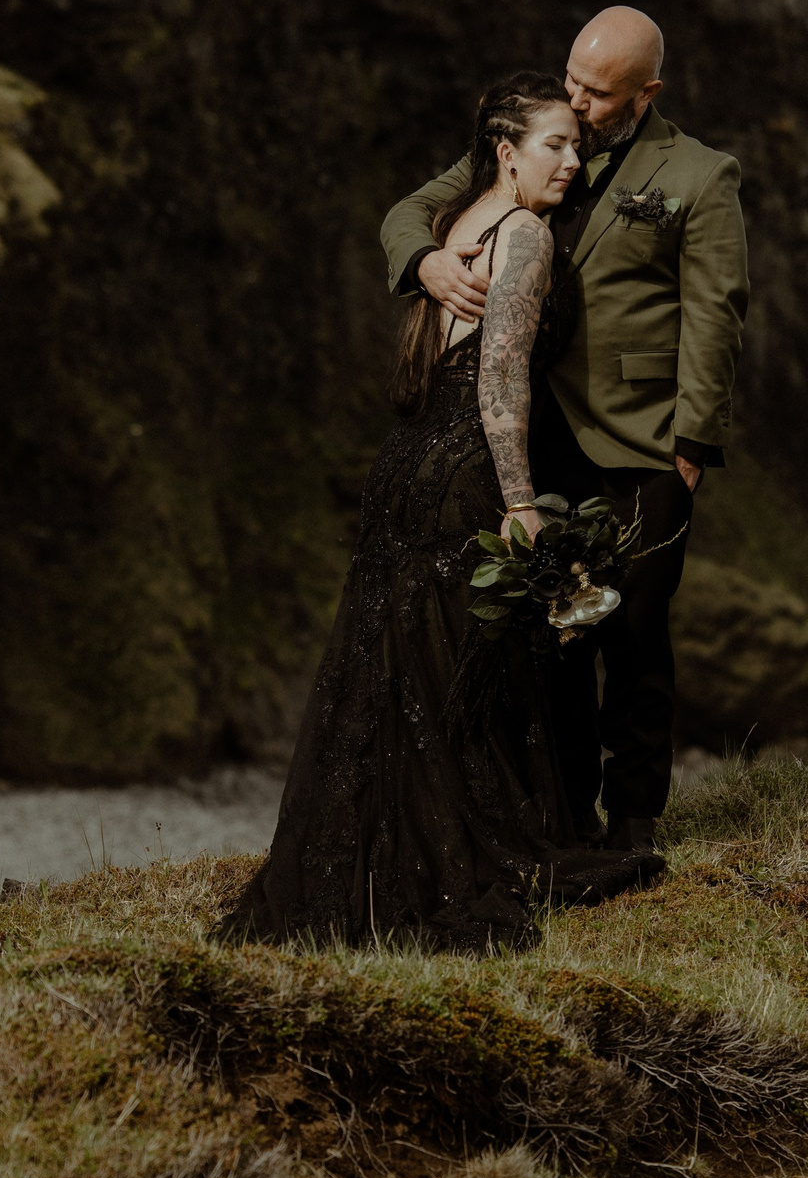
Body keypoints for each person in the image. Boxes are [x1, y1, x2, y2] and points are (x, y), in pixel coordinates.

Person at [214, 71, 668, 952]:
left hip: (405, 462)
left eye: (579, 144)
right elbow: (499, 377)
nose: (573, 160)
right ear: (506, 152)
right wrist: (521, 501)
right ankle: (450, 863)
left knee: (399, 670)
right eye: (554, 145)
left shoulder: (455, 227)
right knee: (468, 675)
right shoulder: (527, 233)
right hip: (466, 462)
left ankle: (370, 861)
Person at [382, 7, 749, 857]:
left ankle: (633, 823)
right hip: (533, 435)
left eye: (597, 92)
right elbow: (413, 210)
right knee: (549, 631)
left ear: (646, 92)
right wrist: (426, 263)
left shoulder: (699, 174)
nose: (577, 104)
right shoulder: (543, 136)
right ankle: (561, 813)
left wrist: (692, 446)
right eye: (573, 81)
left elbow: (717, 313)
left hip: (646, 444)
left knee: (634, 634)